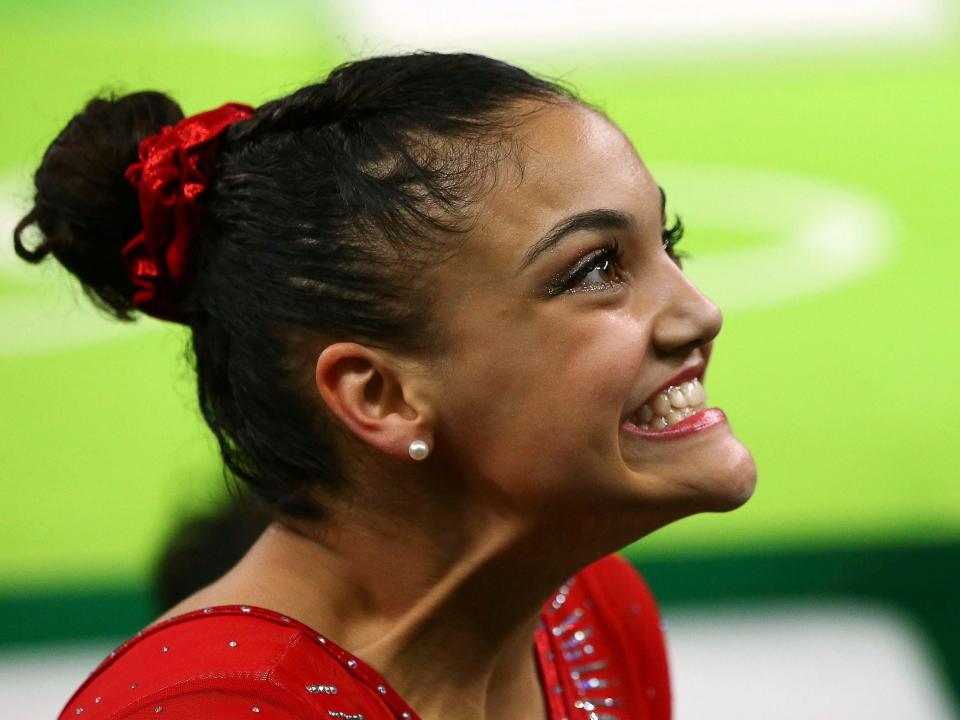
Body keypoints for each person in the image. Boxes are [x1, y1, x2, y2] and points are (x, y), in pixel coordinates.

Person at [14, 52, 757, 720]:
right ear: (380, 396)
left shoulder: (595, 615)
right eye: (596, 269)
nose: (700, 312)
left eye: (669, 242)